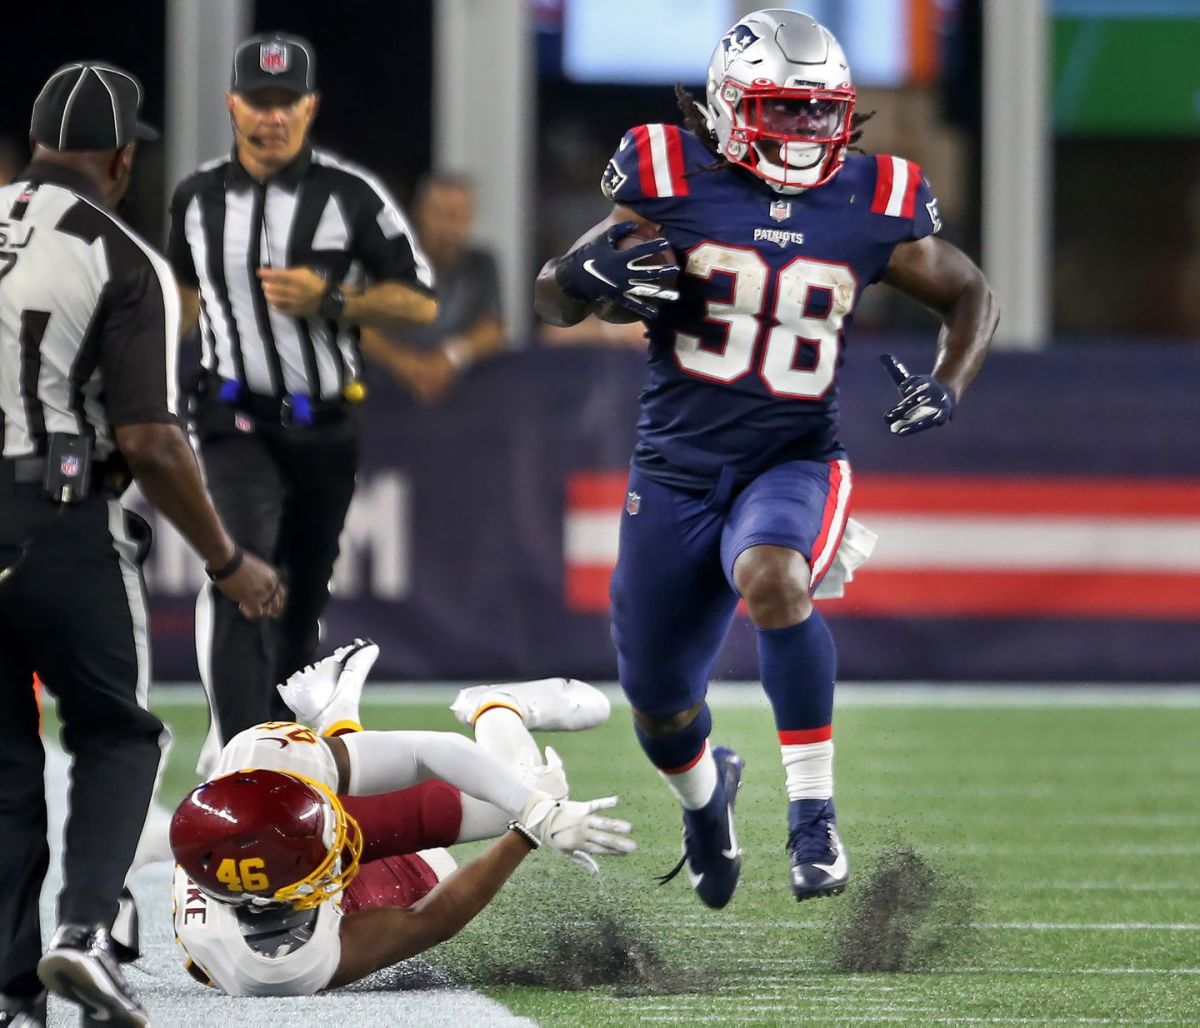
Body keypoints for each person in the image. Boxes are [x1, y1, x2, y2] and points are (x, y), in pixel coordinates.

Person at [534, 9, 998, 909]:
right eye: (785, 111)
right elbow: (556, 295)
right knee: (660, 708)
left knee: (774, 574)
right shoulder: (668, 176)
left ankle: (813, 817)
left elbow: (968, 290)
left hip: (792, 459)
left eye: (822, 114)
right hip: (671, 474)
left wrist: (949, 383)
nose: (806, 133)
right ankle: (710, 803)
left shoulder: (873, 199)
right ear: (730, 104)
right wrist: (584, 281)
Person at [0, 62, 283, 1028]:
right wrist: (227, 560)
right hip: (58, 517)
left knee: (4, 762)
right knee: (118, 732)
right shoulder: (119, 253)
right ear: (122, 159)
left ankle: (9, 998)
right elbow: (152, 440)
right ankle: (82, 935)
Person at [167, 32, 438, 770]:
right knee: (241, 572)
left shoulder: (349, 197)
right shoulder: (195, 200)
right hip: (230, 416)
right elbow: (182, 304)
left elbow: (417, 305)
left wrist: (336, 300)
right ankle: (235, 756)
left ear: (310, 108)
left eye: (287, 103)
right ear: (233, 105)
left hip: (323, 426)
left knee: (299, 604)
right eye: (260, 101)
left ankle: (277, 753)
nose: (273, 118)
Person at [164, 639, 633, 996]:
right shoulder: (277, 966)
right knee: (494, 817)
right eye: (324, 860)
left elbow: (420, 751)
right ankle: (483, 707)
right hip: (289, 895)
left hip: (283, 844)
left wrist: (537, 809)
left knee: (515, 788)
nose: (345, 841)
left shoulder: (265, 761)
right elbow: (427, 921)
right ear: (284, 900)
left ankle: (364, 713)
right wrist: (525, 834)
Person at [361, 172, 506, 405]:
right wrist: (406, 365)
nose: (452, 228)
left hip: (461, 404)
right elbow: (359, 327)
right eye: (443, 215)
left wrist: (450, 358)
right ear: (420, 214)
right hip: (386, 401)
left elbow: (494, 329)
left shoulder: (481, 264)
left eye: (461, 217)